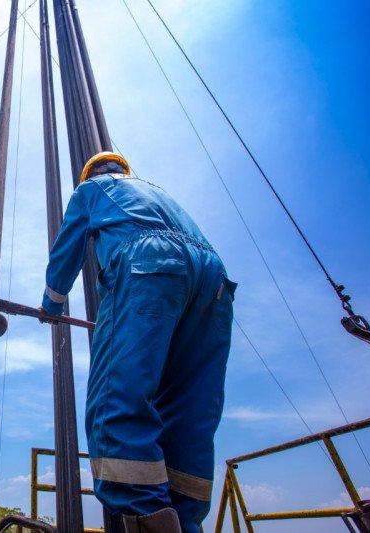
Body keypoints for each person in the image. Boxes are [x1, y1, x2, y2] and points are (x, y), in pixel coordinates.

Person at [41, 152, 236, 533]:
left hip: (150, 265)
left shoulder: (91, 189)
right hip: (214, 284)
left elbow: (68, 248)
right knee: (188, 411)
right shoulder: (158, 192)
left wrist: (52, 303)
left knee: (118, 400)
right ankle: (186, 522)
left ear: (91, 174)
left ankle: (147, 519)